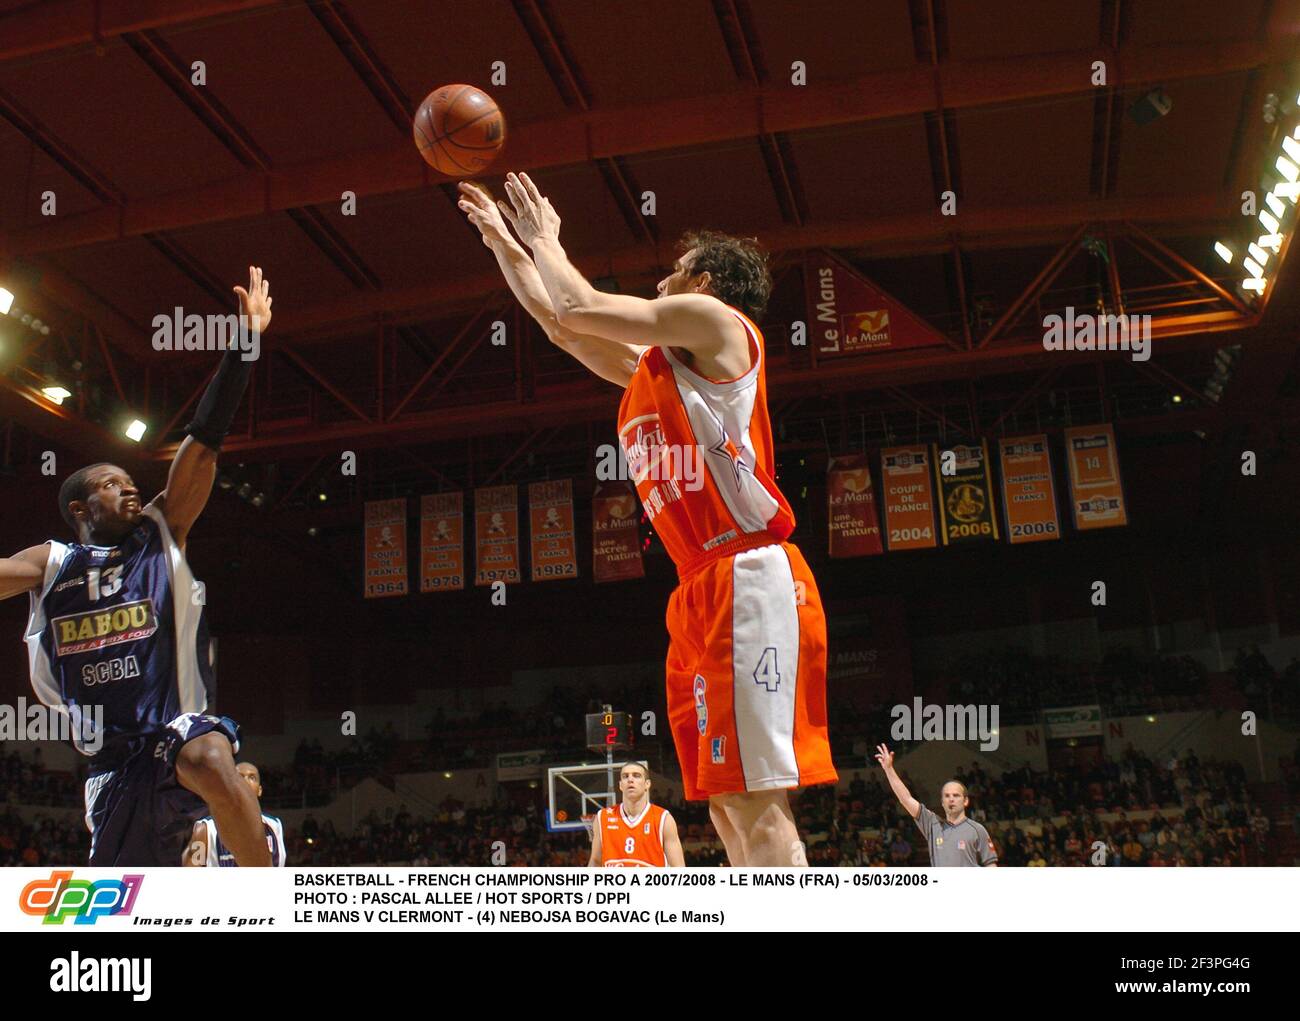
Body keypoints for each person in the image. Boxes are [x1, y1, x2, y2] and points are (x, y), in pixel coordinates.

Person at [459, 175, 836, 866]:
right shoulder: (658, 368)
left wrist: (546, 235)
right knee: (724, 799)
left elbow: (581, 299)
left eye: (675, 271)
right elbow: (560, 321)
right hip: (697, 584)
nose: (662, 281)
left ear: (709, 279)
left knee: (756, 800)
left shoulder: (720, 326)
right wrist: (504, 244)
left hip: (748, 571)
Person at [0, 267, 274, 867]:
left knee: (206, 754)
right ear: (80, 507)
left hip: (176, 728)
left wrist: (244, 346)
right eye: (111, 484)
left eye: (131, 482)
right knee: (123, 900)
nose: (129, 490)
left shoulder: (161, 530)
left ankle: (271, 898)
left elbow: (204, 440)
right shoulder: (53, 562)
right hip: (112, 760)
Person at [874, 744, 998, 866]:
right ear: (942, 802)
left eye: (956, 795)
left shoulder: (977, 830)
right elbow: (906, 799)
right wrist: (889, 769)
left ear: (966, 801)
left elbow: (991, 866)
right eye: (947, 796)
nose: (951, 799)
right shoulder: (932, 824)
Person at [184, 762, 286, 866]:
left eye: (252, 777)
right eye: (239, 777)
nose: (245, 781)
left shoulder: (274, 825)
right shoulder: (205, 829)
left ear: (259, 790)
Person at [588, 761, 685, 868]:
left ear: (647, 784)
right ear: (620, 785)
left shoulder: (663, 819)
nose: (630, 780)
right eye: (625, 776)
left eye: (636, 776)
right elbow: (595, 861)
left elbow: (678, 867)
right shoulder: (602, 818)